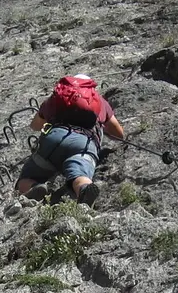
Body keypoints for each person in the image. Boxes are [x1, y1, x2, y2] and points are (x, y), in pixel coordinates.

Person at [13, 74, 126, 205]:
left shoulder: (56, 99)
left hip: (53, 139)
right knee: (79, 173)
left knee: (26, 177)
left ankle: (34, 187)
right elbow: (119, 134)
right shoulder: (100, 102)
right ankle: (83, 188)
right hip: (84, 143)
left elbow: (35, 126)